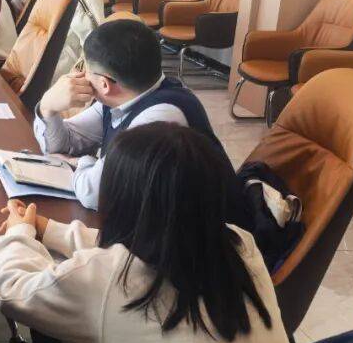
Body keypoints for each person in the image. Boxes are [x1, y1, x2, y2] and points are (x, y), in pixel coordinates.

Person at [0, 123, 290, 343]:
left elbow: (12, 289)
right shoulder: (240, 244)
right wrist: (50, 230)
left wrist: (19, 232)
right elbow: (152, 243)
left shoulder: (108, 281)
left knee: (54, 337)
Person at [34, 18, 227, 210]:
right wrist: (48, 108)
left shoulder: (160, 120)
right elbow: (65, 143)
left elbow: (95, 193)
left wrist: (80, 162)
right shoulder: (123, 96)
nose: (81, 74)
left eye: (84, 68)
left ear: (104, 84)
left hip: (197, 225)